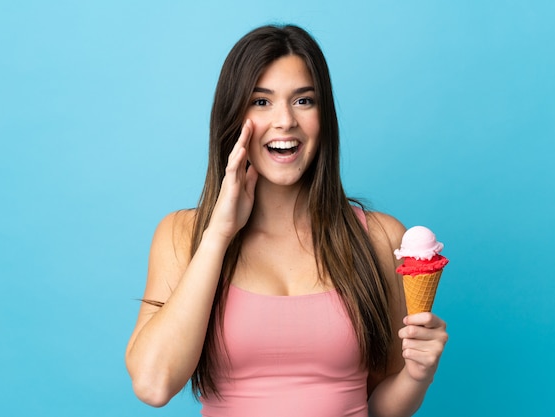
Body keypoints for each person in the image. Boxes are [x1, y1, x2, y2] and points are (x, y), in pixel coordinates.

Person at [125, 24, 448, 417]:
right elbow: (153, 384)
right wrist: (219, 234)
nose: (284, 121)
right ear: (233, 116)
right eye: (261, 102)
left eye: (303, 101)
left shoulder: (379, 239)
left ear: (323, 115)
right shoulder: (182, 236)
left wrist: (419, 374)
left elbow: (380, 407)